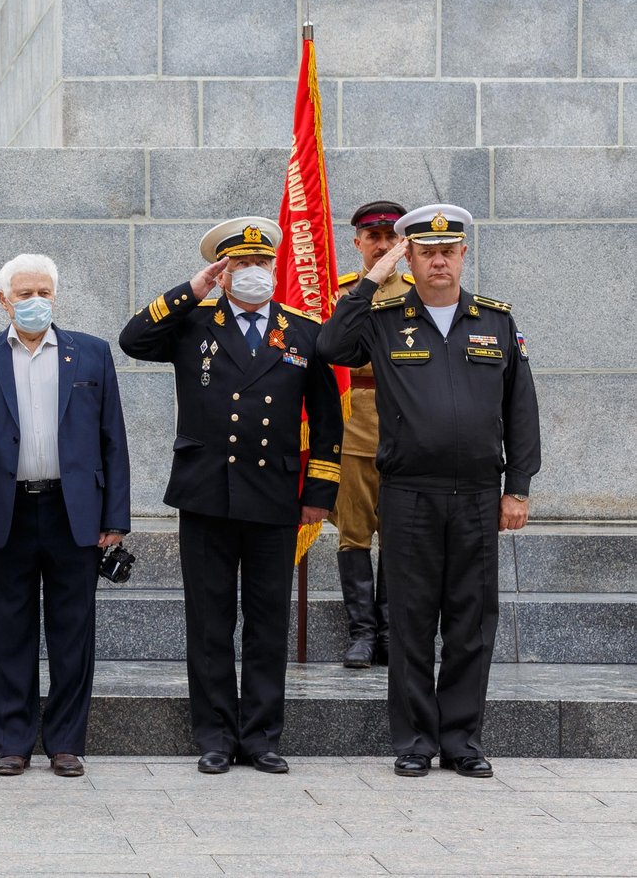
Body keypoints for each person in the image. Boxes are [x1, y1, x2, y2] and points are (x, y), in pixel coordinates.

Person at [319, 204, 539, 780]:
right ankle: (416, 740)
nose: (438, 259)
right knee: (413, 620)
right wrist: (371, 277)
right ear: (408, 257)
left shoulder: (496, 321)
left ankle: (461, 740)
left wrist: (517, 488)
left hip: (475, 495)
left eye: (449, 250)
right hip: (409, 493)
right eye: (424, 251)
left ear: (463, 255)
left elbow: (521, 409)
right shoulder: (385, 318)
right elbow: (330, 347)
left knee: (471, 622)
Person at [118, 216, 343, 776]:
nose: (253, 273)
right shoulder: (194, 323)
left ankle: (262, 736)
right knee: (211, 620)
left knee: (268, 621)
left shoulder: (302, 331)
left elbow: (328, 419)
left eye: (261, 263)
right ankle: (215, 735)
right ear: (222, 272)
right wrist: (189, 291)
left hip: (275, 497)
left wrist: (319, 492)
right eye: (240, 264)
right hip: (206, 494)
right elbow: (132, 339)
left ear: (274, 268)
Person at [0, 253, 129, 778]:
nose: (35, 302)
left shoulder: (91, 355)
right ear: (3, 300)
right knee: (9, 629)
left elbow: (112, 440)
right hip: (3, 512)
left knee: (73, 631)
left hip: (74, 512)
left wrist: (115, 516)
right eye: (24, 294)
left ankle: (66, 741)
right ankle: (13, 740)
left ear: (57, 296)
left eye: (44, 292)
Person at [331, 200, 410, 669]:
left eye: (389, 238)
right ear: (357, 242)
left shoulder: (421, 290)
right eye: (372, 237)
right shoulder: (342, 293)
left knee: (399, 535)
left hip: (406, 429)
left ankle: (391, 632)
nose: (381, 245)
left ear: (403, 244)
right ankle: (361, 632)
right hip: (355, 428)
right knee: (354, 534)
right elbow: (333, 352)